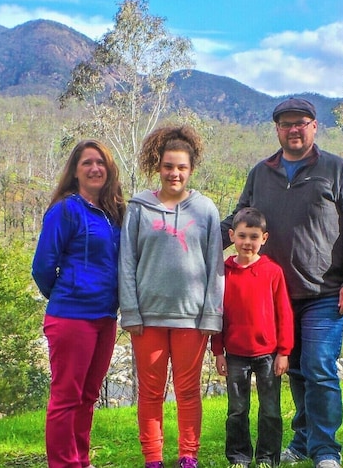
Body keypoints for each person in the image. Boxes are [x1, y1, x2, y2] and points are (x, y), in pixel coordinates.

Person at [222, 98, 343, 468]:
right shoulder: (261, 173)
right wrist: (193, 239)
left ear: (314, 126)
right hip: (278, 295)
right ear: (277, 129)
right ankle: (304, 440)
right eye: (286, 124)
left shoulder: (336, 169)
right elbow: (239, 220)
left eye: (300, 123)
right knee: (295, 371)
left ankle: (326, 451)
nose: (293, 129)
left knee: (319, 367)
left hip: (325, 292)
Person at [119, 125, 225, 468]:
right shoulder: (139, 207)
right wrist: (130, 311)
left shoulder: (205, 209)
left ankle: (187, 456)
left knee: (188, 391)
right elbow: (126, 261)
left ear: (191, 169)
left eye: (181, 167)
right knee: (150, 393)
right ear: (158, 166)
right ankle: (153, 458)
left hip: (191, 319)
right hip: (147, 317)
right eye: (168, 166)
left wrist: (211, 315)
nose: (174, 173)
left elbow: (215, 263)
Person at [32, 139, 126, 468]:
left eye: (100, 162)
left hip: (105, 317)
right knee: (66, 398)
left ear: (109, 169)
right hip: (72, 318)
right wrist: (68, 293)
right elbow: (42, 267)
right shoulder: (65, 210)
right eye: (87, 162)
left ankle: (81, 460)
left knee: (87, 397)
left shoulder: (114, 214)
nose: (95, 168)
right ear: (75, 171)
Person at [212, 207, 293, 468]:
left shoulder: (272, 271)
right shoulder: (223, 271)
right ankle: (239, 457)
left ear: (264, 238)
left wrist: (284, 352)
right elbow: (217, 314)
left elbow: (284, 313)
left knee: (270, 410)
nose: (247, 242)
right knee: (237, 410)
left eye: (254, 237)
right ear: (231, 236)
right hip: (235, 355)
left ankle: (268, 458)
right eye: (242, 236)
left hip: (268, 354)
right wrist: (218, 352)